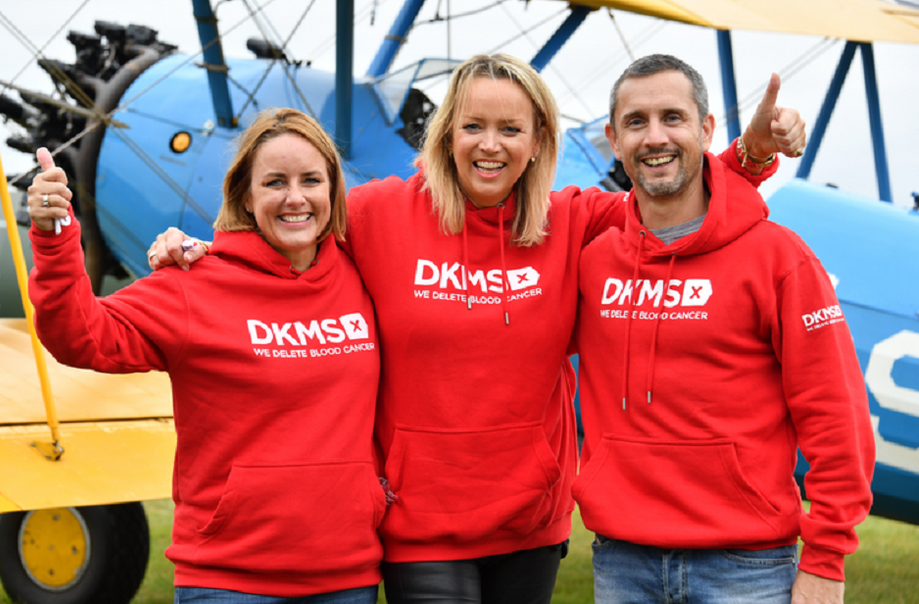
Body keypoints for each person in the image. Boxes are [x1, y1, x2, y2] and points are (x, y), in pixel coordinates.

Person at [147, 54, 806, 604]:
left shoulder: (573, 219)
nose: (490, 145)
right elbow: (289, 227)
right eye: (473, 126)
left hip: (530, 522)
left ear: (538, 141)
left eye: (510, 129)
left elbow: (670, 197)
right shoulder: (376, 214)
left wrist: (748, 154)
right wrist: (207, 251)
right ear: (446, 136)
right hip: (419, 520)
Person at [27, 109, 386, 604]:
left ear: (333, 189)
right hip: (229, 580)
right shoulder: (195, 284)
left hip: (347, 578)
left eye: (312, 180)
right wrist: (56, 237)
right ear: (245, 194)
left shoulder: (363, 272)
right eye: (275, 182)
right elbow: (80, 335)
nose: (296, 198)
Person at [571, 54, 874, 604]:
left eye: (673, 117)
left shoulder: (778, 257)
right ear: (613, 140)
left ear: (706, 130)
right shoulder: (591, 257)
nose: (654, 137)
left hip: (747, 567)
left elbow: (836, 414)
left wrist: (827, 559)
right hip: (620, 559)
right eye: (636, 122)